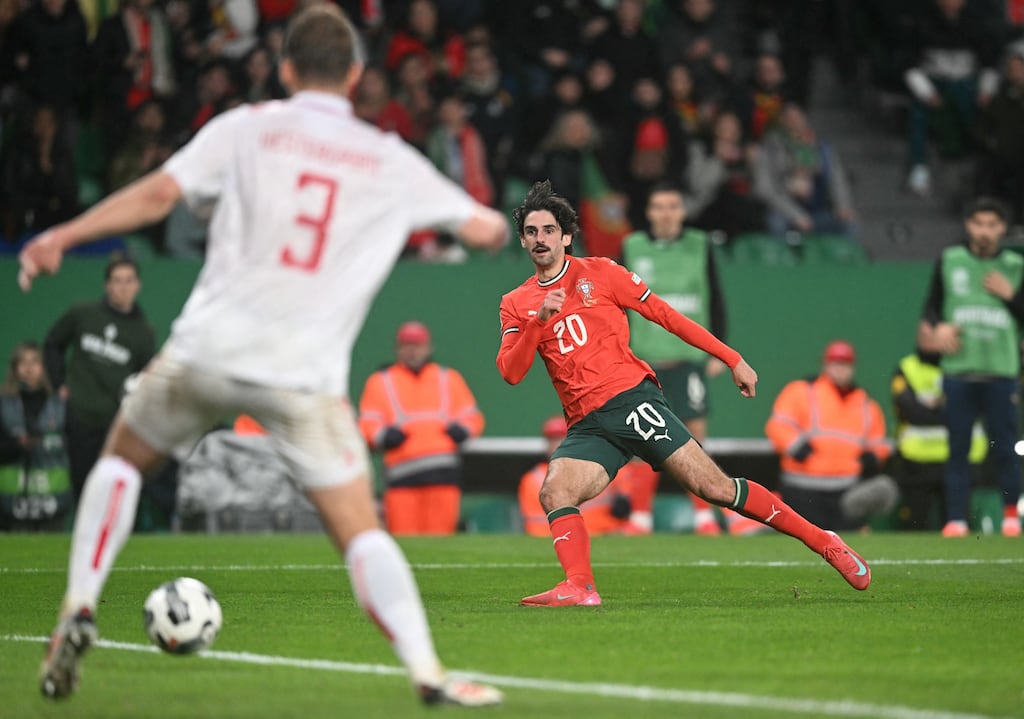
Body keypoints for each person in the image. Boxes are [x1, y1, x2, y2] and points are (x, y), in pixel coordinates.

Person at [19, 5, 507, 706]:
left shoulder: (244, 129)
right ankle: (428, 671)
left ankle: (82, 600)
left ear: (283, 68)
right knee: (360, 533)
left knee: (122, 462)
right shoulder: (390, 158)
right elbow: (486, 227)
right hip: (303, 374)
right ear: (357, 75)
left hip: (206, 348)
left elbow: (160, 193)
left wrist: (63, 235)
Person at [496, 180, 871, 607]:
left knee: (715, 488)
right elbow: (511, 372)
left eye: (548, 230)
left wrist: (732, 358)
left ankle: (823, 540)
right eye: (531, 231)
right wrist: (537, 323)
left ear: (566, 236)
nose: (539, 239)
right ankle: (580, 587)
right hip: (587, 423)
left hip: (631, 401)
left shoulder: (602, 273)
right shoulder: (516, 302)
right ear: (523, 240)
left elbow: (668, 317)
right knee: (555, 492)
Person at [620, 183, 760, 536]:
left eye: (672, 206)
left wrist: (720, 350)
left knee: (694, 436)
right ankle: (639, 517)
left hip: (688, 358)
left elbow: (715, 297)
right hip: (645, 361)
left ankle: (704, 517)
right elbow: (617, 305)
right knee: (642, 437)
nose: (666, 213)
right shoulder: (632, 247)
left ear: (682, 212)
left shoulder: (700, 245)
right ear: (649, 212)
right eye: (659, 206)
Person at [917, 196, 1023, 538]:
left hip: (1001, 373)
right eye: (979, 224)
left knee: (1005, 448)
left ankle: (1011, 516)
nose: (985, 232)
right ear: (968, 225)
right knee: (958, 448)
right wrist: (938, 329)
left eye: (992, 225)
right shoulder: (951, 261)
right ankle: (957, 519)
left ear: (1003, 228)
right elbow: (932, 308)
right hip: (959, 371)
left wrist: (1011, 296)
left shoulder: (1014, 266)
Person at [43, 254, 156, 504]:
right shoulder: (83, 313)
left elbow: (144, 378)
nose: (123, 287)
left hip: (116, 422)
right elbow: (53, 343)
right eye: (117, 281)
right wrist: (59, 383)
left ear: (138, 285)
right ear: (107, 285)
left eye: (129, 281)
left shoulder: (144, 332)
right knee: (81, 484)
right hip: (80, 415)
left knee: (112, 488)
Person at [357, 321, 485, 536]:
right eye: (407, 345)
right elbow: (367, 424)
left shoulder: (448, 378)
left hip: (443, 474)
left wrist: (463, 430)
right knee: (405, 542)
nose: (412, 350)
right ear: (398, 349)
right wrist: (383, 436)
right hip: (401, 476)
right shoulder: (380, 381)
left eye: (417, 345)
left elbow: (473, 417)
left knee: (441, 541)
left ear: (428, 347)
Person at [765, 340, 899, 531]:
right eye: (835, 364)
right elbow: (777, 425)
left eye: (845, 364)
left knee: (885, 488)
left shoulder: (867, 405)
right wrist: (796, 446)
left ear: (853, 367)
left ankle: (856, 527)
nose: (840, 370)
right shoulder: (802, 391)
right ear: (825, 365)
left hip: (845, 490)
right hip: (802, 487)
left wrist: (874, 456)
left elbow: (879, 443)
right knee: (800, 527)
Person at [890, 347, 987, 531]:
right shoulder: (908, 367)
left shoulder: (967, 365)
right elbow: (911, 411)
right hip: (917, 458)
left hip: (959, 459)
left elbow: (976, 407)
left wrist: (934, 407)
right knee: (915, 524)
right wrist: (949, 407)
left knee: (958, 524)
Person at [519, 416, 650, 536]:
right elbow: (535, 525)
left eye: (562, 438)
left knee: (639, 527)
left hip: (608, 534)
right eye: (552, 439)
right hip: (558, 538)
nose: (557, 444)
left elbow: (629, 499)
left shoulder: (602, 466)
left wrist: (623, 499)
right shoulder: (533, 479)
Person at [0, 341, 72, 530]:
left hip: (54, 501)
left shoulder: (60, 404)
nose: (29, 369)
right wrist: (17, 445)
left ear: (43, 368)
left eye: (34, 362)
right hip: (11, 502)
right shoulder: (4, 403)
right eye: (23, 363)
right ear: (15, 369)